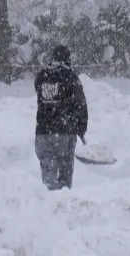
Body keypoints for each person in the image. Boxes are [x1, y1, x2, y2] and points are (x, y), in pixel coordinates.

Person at [33, 44, 88, 190]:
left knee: (48, 175)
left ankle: (49, 203)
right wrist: (81, 129)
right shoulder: (70, 77)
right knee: (65, 170)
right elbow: (81, 105)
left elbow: (38, 89)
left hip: (43, 132)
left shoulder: (41, 76)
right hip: (65, 132)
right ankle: (63, 201)